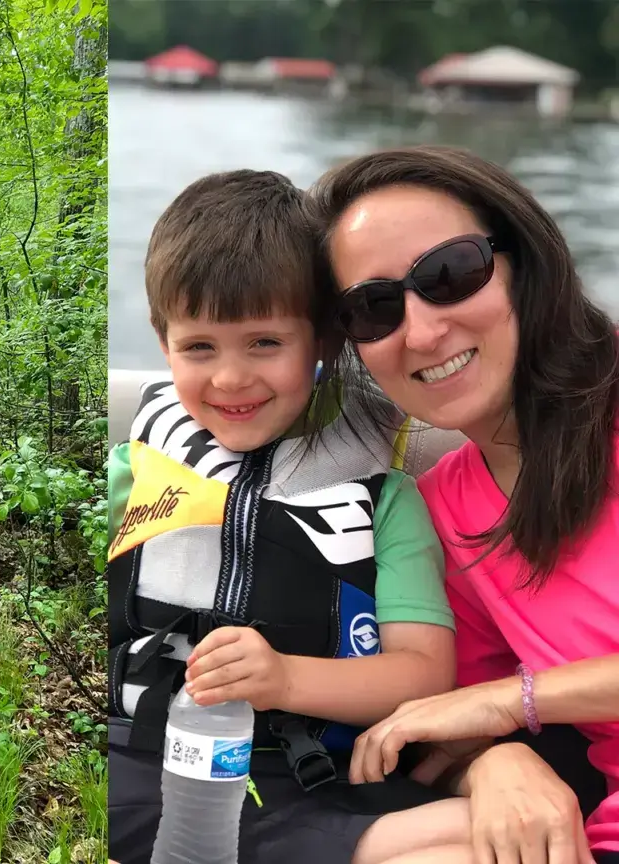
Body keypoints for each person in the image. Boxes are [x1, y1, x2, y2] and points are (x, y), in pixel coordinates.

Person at [105, 169, 478, 864]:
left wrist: (284, 680)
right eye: (200, 348)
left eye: (265, 344)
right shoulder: (129, 476)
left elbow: (425, 676)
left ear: (325, 343)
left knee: (483, 841)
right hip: (135, 763)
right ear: (164, 343)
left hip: (305, 783)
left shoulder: (384, 500)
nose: (230, 379)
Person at [315, 144, 619, 864]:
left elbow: (493, 702)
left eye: (449, 274)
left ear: (524, 266)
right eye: (373, 308)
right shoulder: (444, 510)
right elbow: (448, 723)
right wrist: (494, 761)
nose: (420, 331)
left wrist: (512, 701)